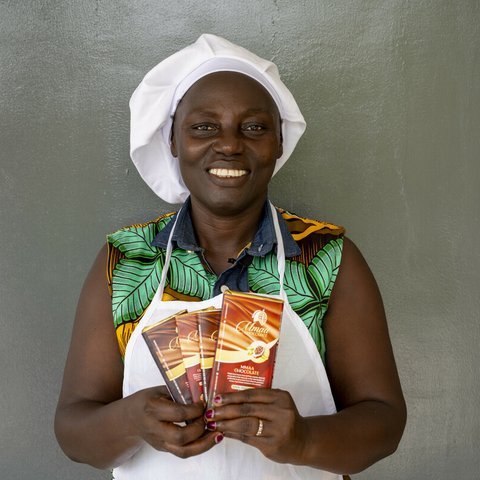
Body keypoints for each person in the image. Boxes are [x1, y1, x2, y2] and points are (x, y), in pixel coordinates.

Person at [54, 34, 406, 480]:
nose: (229, 144)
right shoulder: (124, 261)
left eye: (254, 127)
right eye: (203, 127)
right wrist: (131, 421)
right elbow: (71, 430)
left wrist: (303, 439)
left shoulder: (328, 258)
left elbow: (385, 422)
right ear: (173, 141)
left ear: (279, 142)